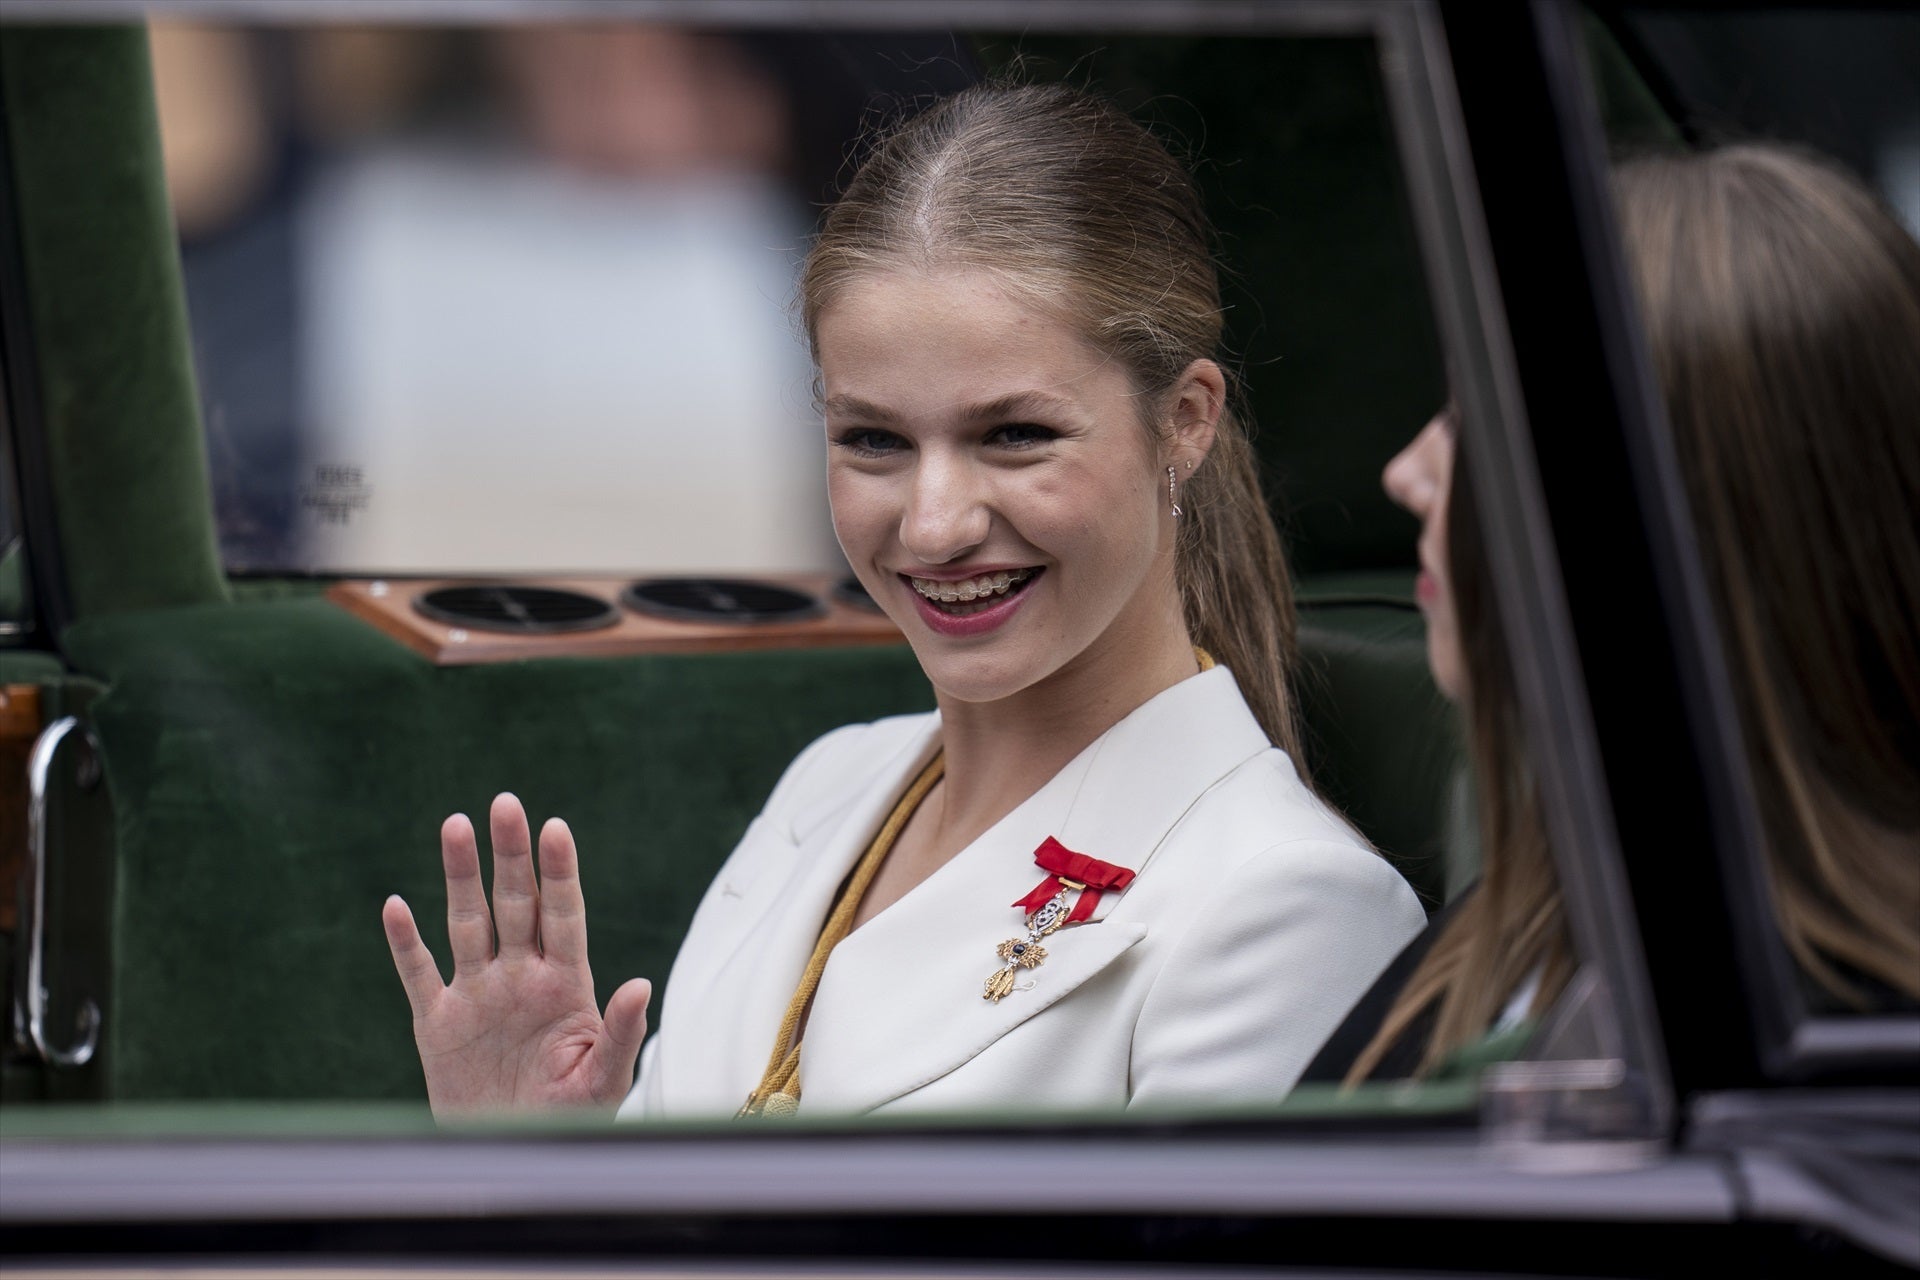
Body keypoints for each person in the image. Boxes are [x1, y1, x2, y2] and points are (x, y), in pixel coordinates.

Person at [380, 82, 1426, 1119]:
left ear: (1185, 422)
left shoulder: (1288, 904)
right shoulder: (829, 785)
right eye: (873, 439)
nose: (932, 525)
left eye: (1015, 435)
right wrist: (533, 1174)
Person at [1307, 143, 1920, 1085]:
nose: (1407, 472)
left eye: (1486, 424)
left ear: (1675, 511)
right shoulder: (1521, 933)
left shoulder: (1833, 1073)